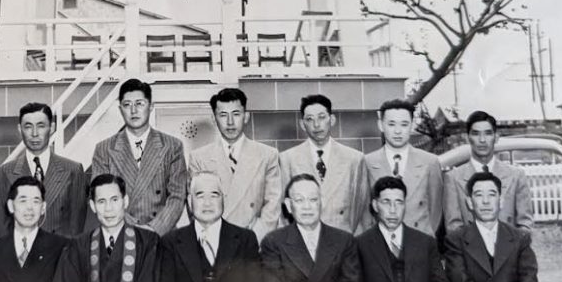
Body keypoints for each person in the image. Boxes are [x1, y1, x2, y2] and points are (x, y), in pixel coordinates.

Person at [91, 78, 188, 235]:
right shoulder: (104, 149)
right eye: (127, 105)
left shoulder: (172, 146)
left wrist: (153, 229)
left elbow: (177, 196)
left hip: (162, 235)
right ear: (120, 109)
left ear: (151, 107)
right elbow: (103, 197)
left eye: (139, 104)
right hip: (120, 233)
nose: (133, 110)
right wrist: (132, 229)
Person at [189, 87, 282, 241]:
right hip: (215, 243)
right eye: (223, 115)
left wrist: (253, 240)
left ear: (246, 117)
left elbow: (272, 205)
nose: (230, 122)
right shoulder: (199, 158)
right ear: (214, 119)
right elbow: (196, 207)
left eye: (236, 114)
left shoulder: (267, 155)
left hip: (253, 242)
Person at [0, 103, 88, 238]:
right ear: (20, 129)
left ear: (52, 128)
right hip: (19, 255)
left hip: (59, 254)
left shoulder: (73, 170)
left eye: (41, 126)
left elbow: (75, 226)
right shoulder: (3, 173)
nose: (34, 133)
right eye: (28, 127)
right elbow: (0, 226)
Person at [278, 94, 372, 235]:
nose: (316, 125)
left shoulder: (354, 159)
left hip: (342, 240)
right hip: (302, 240)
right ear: (302, 124)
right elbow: (283, 210)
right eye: (310, 119)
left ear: (332, 119)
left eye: (322, 117)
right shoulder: (287, 159)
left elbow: (361, 208)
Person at [444, 111, 533, 235]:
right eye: (476, 134)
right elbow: (453, 228)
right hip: (469, 252)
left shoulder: (516, 176)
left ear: (496, 137)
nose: (482, 140)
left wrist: (511, 249)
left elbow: (525, 224)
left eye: (488, 133)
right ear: (467, 137)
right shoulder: (453, 178)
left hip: (509, 251)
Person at [364, 99, 444, 235]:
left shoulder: (430, 162)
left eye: (404, 124)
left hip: (420, 241)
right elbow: (363, 211)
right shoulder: (367, 162)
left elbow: (436, 208)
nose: (397, 131)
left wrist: (426, 237)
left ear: (412, 125)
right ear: (381, 125)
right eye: (391, 124)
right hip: (380, 243)